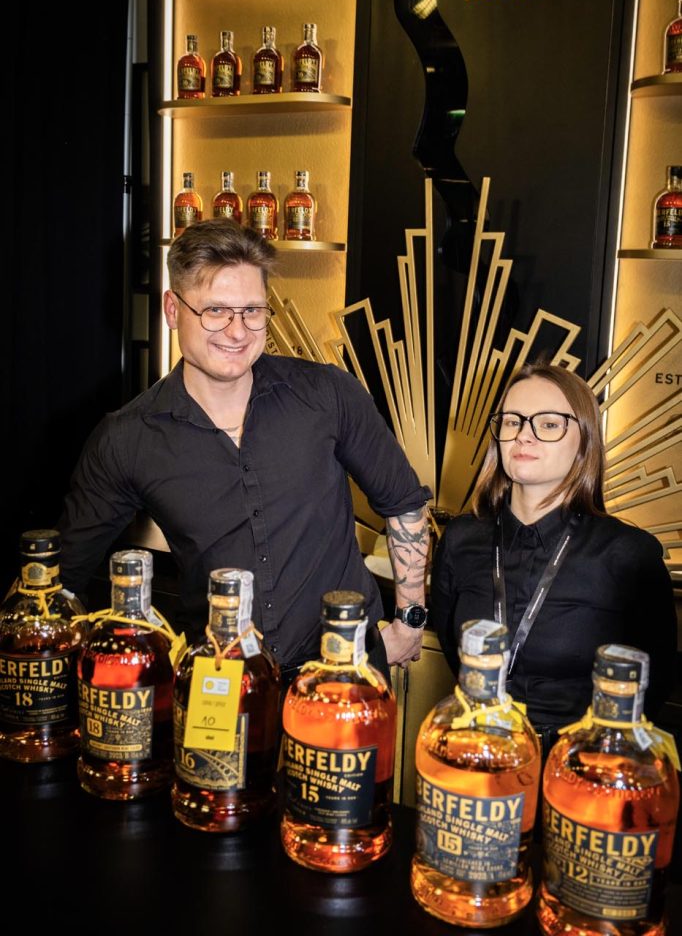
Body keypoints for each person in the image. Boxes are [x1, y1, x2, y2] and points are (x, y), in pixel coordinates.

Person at [56, 218, 432, 686]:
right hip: (222, 683)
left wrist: (409, 620)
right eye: (215, 310)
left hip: (345, 672)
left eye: (252, 310)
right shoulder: (127, 438)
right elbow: (61, 580)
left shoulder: (327, 394)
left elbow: (403, 501)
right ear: (173, 309)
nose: (237, 331)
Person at [429, 361, 677, 757]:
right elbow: (451, 646)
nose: (523, 435)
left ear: (584, 440)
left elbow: (654, 682)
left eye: (548, 424)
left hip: (579, 767)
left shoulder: (629, 554)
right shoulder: (460, 539)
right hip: (478, 756)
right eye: (512, 421)